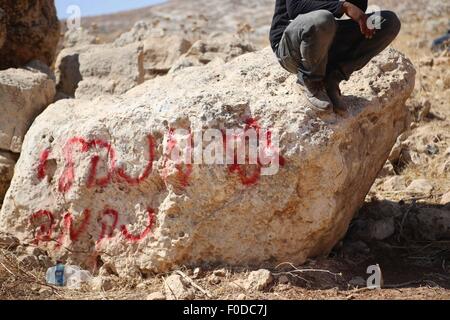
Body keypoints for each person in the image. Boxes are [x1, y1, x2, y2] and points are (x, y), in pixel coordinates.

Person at [269, 0, 401, 112]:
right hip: (291, 45)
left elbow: (358, 9)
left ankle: (332, 78)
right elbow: (295, 8)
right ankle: (309, 79)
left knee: (387, 22)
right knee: (322, 19)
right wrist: (343, 7)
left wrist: (350, 7)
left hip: (323, 36)